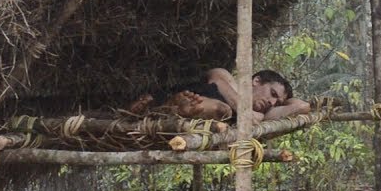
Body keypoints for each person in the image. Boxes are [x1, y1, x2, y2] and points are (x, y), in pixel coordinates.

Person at [128, 68, 311, 124]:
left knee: (220, 110)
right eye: (272, 93)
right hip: (196, 94)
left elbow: (303, 107)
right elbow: (217, 76)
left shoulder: (263, 114)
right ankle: (167, 104)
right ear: (256, 81)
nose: (271, 102)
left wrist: (282, 102)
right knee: (220, 107)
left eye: (276, 102)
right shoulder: (229, 80)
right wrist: (247, 112)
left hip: (205, 110)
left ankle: (173, 108)